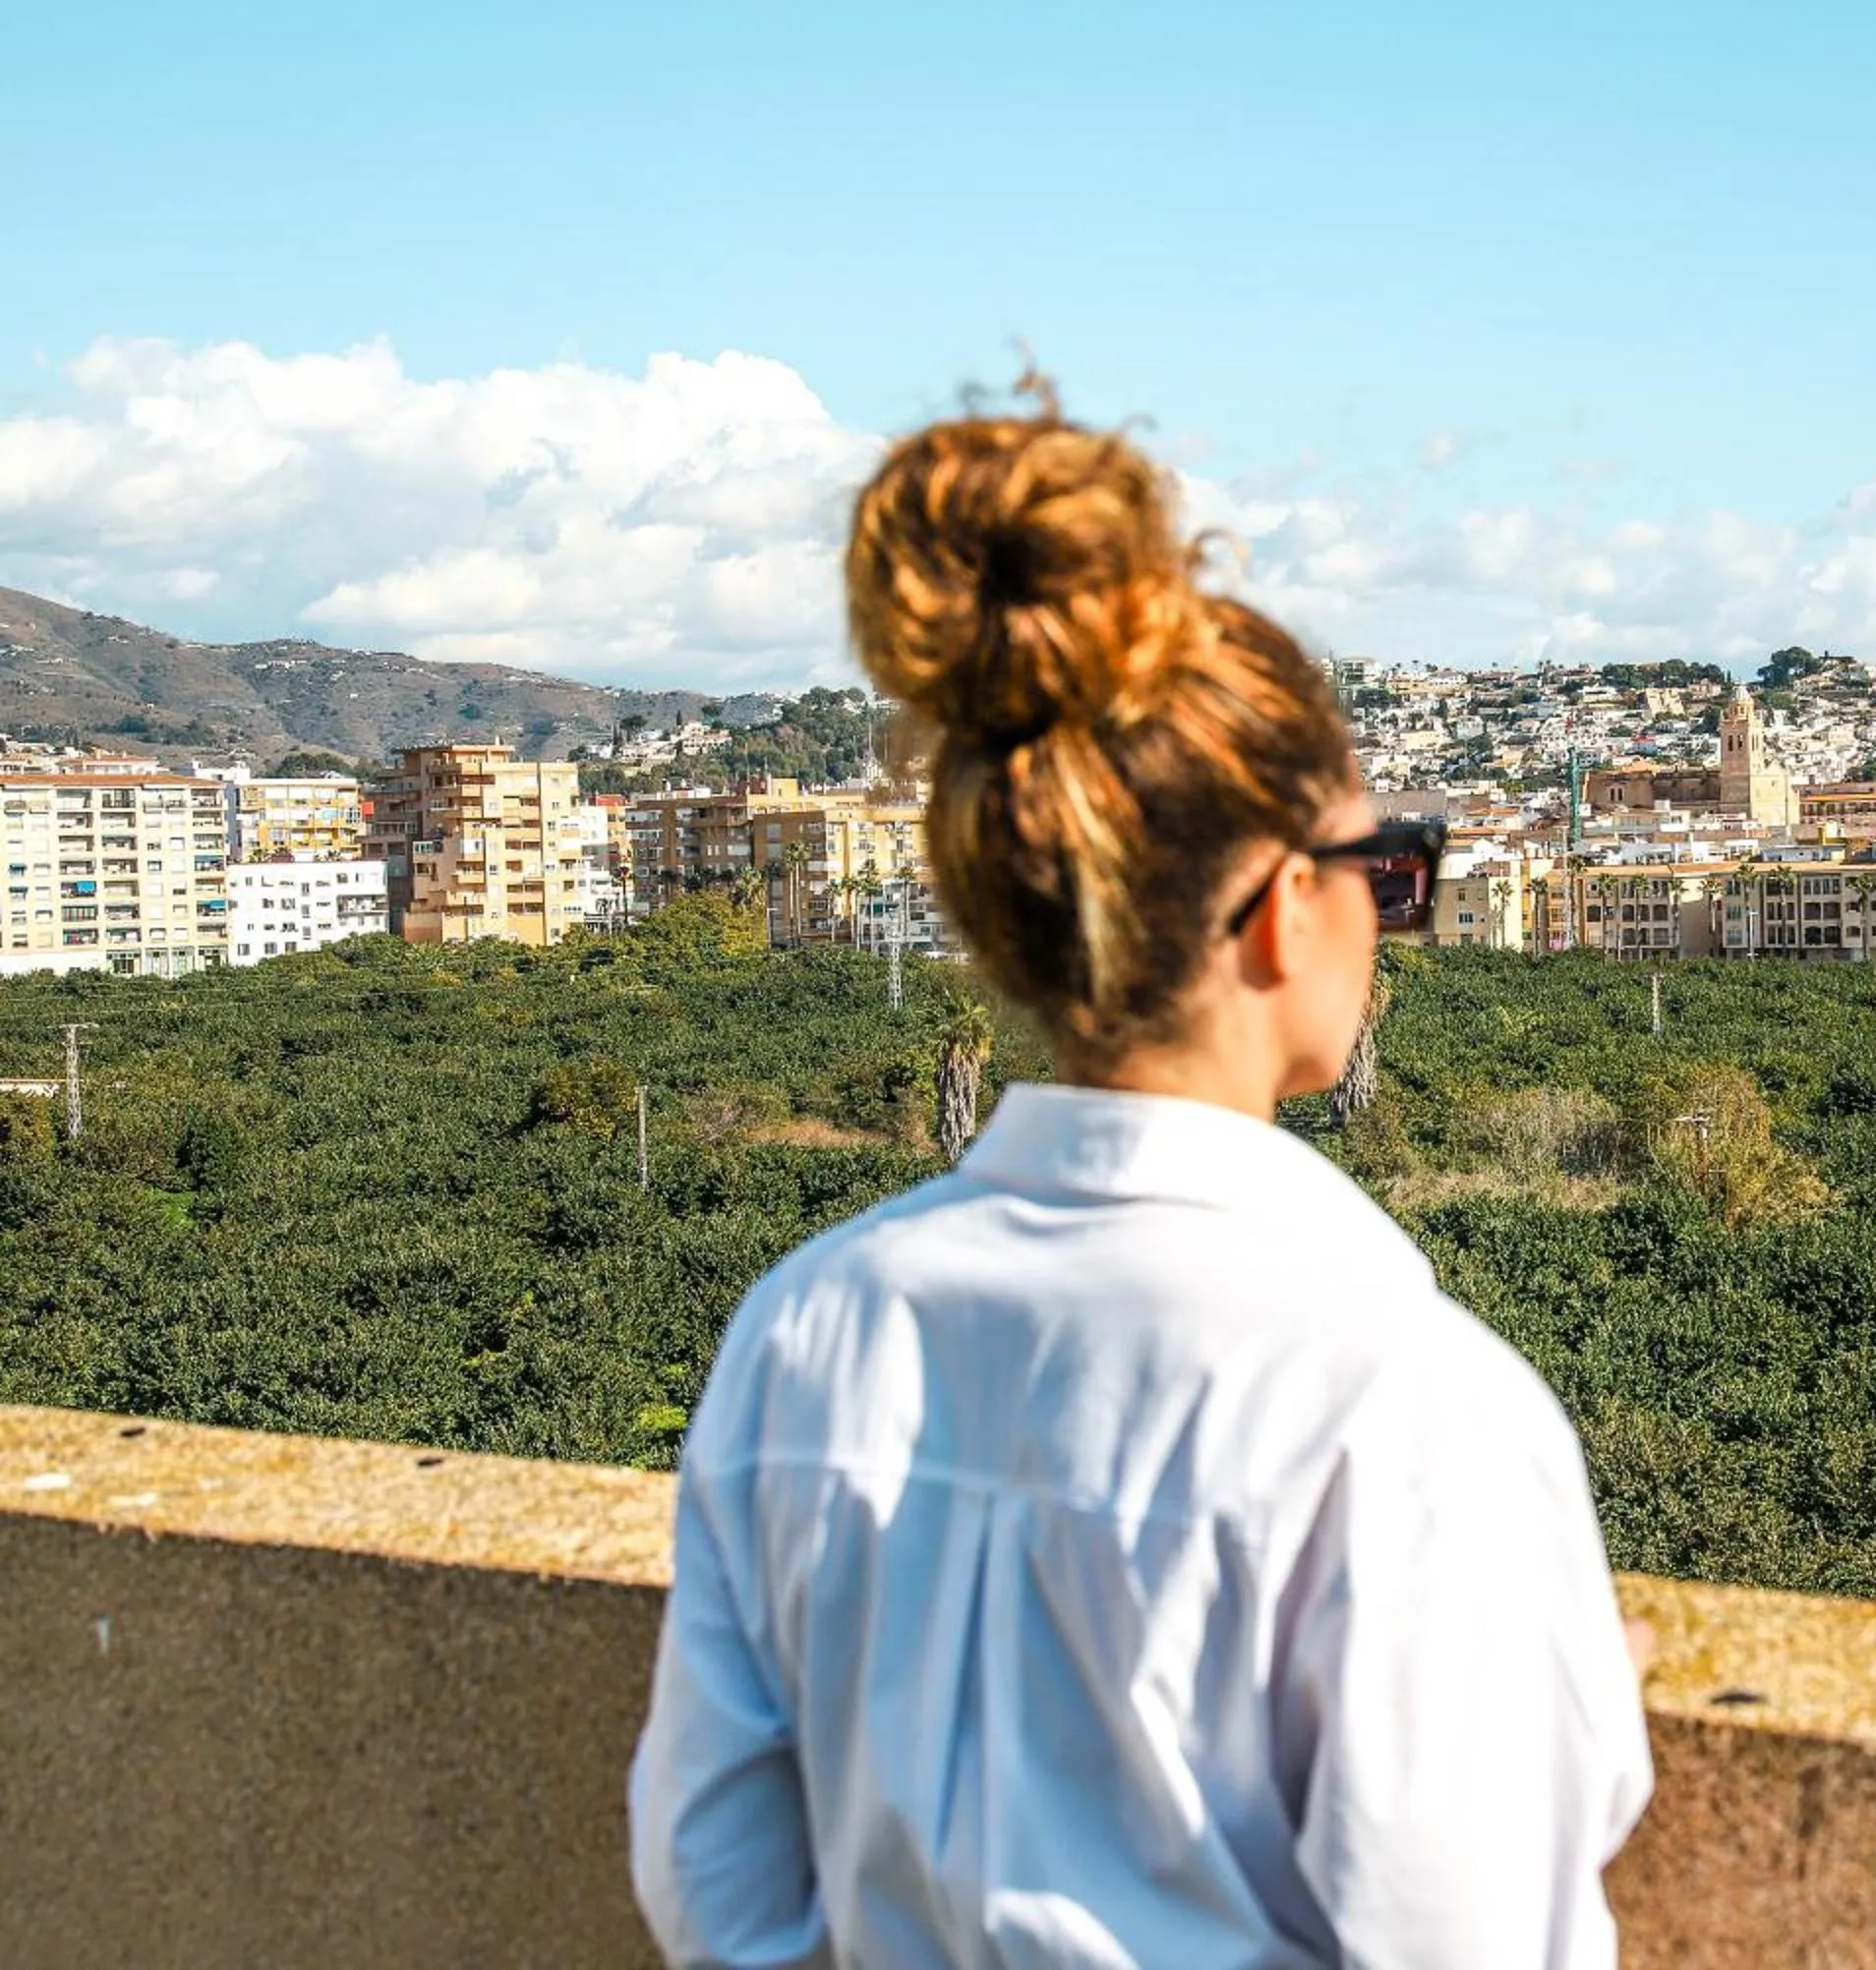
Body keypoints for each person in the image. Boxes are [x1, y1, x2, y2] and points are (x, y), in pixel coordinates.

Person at [629, 386, 1654, 1969]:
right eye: (1386, 869)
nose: (1397, 912)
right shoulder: (1406, 1409)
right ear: (1274, 915)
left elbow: (716, 1897)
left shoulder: (804, 1332)